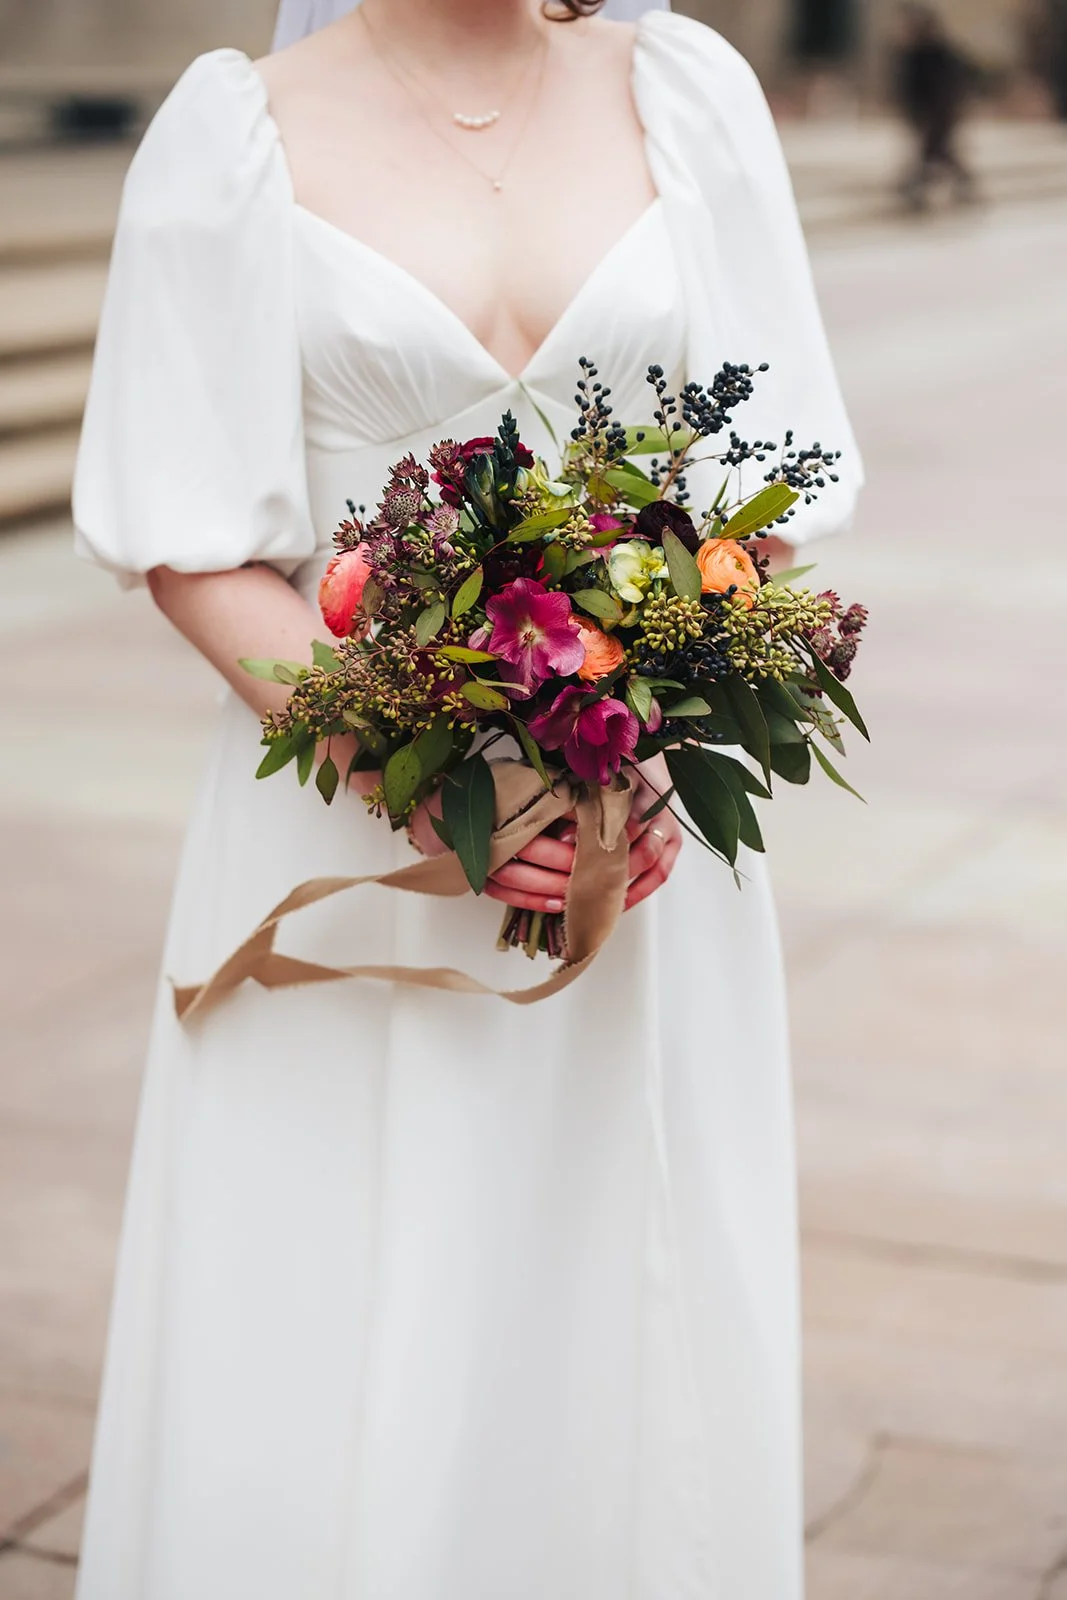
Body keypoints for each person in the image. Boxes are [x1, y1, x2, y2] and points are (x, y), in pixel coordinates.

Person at [72, 0, 862, 1594]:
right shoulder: (231, 138)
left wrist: (655, 710)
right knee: (351, 1295)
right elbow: (193, 547)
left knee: (620, 1304)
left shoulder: (686, 96)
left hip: (632, 849)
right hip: (346, 813)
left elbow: (757, 497)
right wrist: (438, 786)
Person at [895, 2, 977, 208]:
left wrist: (949, 108)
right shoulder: (915, 54)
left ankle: (916, 192)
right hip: (930, 114)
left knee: (933, 155)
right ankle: (959, 187)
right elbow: (910, 88)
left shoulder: (939, 53)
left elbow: (952, 83)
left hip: (940, 114)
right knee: (940, 154)